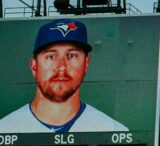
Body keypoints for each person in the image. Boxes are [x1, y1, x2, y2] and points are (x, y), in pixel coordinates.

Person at [0, 19, 128, 133]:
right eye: (50, 56)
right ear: (34, 66)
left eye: (72, 55)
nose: (61, 66)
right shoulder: (5, 129)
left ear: (86, 64)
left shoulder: (113, 131)